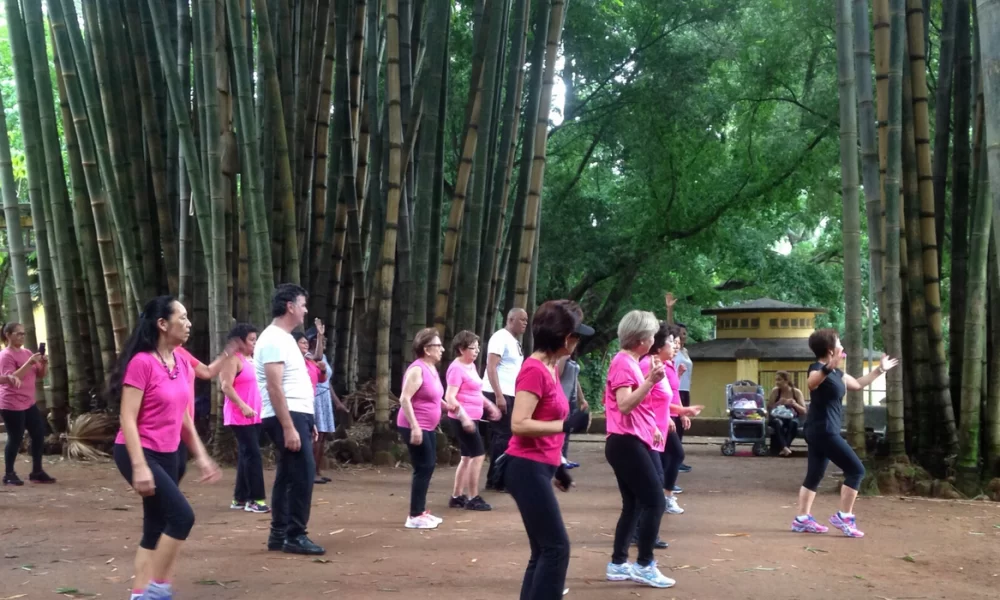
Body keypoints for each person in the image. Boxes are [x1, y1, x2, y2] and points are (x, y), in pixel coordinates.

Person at [108, 296, 222, 600]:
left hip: (170, 452)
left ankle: (140, 594)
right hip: (139, 451)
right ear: (162, 324)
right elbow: (127, 417)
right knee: (182, 517)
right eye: (181, 318)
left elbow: (183, 416)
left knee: (155, 526)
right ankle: (156, 589)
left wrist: (201, 456)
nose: (188, 324)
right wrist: (140, 466)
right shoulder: (142, 363)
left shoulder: (181, 361)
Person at [504, 300, 593, 600]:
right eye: (576, 335)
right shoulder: (534, 369)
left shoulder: (551, 367)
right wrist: (566, 425)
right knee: (556, 549)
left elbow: (545, 423)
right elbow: (519, 424)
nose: (578, 341)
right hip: (525, 468)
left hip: (539, 467)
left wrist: (558, 465)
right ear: (564, 337)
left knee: (543, 550)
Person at [792, 328, 898, 538]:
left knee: (814, 474)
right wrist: (828, 367)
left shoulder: (838, 374)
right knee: (856, 471)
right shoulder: (817, 368)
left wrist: (880, 370)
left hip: (819, 429)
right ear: (830, 350)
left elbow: (857, 384)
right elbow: (811, 383)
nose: (842, 345)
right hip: (824, 431)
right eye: (839, 342)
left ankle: (802, 519)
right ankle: (844, 517)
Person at [604, 310, 674, 589]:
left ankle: (618, 563)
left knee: (633, 504)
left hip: (631, 439)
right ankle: (644, 564)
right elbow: (624, 405)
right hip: (625, 442)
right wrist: (650, 381)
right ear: (642, 339)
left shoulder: (631, 362)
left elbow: (637, 406)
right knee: (655, 501)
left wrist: (651, 426)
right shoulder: (623, 363)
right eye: (652, 335)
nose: (655, 339)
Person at [257, 284, 325, 555]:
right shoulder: (274, 338)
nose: (305, 310)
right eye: (303, 304)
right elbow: (274, 386)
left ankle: (280, 533)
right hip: (287, 415)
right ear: (290, 306)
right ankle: (295, 534)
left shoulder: (284, 338)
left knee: (287, 474)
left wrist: (309, 420)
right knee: (303, 474)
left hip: (297, 414)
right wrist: (289, 427)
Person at [397, 328, 476, 529]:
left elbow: (431, 396)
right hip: (415, 425)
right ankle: (415, 515)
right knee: (423, 467)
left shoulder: (431, 368)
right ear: (426, 349)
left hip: (428, 426)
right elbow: (404, 399)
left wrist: (446, 406)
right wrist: (415, 427)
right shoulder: (417, 370)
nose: (442, 349)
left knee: (428, 465)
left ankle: (420, 511)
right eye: (438, 346)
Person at [445, 330, 501, 511]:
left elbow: (476, 392)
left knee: (467, 457)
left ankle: (457, 496)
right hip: (463, 419)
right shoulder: (456, 368)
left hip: (473, 418)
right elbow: (450, 397)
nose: (477, 351)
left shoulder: (470, 366)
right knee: (478, 455)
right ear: (461, 349)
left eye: (478, 348)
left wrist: (489, 405)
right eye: (473, 348)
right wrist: (464, 418)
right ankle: (472, 497)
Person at [219, 323, 269, 513]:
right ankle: (256, 499)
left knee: (246, 455)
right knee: (253, 455)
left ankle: (240, 498)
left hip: (255, 415)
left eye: (256, 339)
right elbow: (226, 386)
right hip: (239, 415)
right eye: (251, 340)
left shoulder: (253, 360)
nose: (255, 343)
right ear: (240, 341)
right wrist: (242, 405)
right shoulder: (232, 359)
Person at [0, 322, 53, 485]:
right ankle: (9, 474)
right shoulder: (5, 355)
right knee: (15, 438)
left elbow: (41, 375)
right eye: (18, 333)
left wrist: (44, 363)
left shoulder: (27, 353)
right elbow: (11, 378)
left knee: (38, 434)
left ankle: (37, 471)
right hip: (11, 402)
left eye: (23, 333)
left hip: (29, 402)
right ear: (8, 335)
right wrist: (29, 363)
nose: (22, 336)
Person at [483, 308, 528, 492]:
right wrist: (499, 395)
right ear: (510, 319)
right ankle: (498, 479)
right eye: (522, 319)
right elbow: (491, 367)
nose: (525, 323)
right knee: (504, 436)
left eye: (526, 320)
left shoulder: (514, 341)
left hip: (510, 393)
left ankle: (497, 478)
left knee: (504, 436)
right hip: (497, 393)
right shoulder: (500, 337)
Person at [307, 320, 346, 485]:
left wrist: (337, 402)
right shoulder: (308, 357)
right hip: (315, 397)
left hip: (324, 398)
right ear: (313, 341)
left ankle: (317, 470)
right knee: (315, 437)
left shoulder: (323, 358)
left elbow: (326, 381)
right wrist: (319, 334)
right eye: (321, 340)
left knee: (322, 436)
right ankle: (310, 472)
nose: (324, 343)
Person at [666, 292, 693, 472]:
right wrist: (670, 309)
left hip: (684, 390)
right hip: (674, 390)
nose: (683, 336)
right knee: (673, 426)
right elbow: (669, 328)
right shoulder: (672, 350)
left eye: (685, 334)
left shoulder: (685, 352)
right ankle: (672, 459)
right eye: (681, 333)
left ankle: (677, 458)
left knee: (681, 427)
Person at [557, 354, 589, 469]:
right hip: (563, 397)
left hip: (572, 399)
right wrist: (563, 357)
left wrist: (582, 398)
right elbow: (557, 374)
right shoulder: (560, 357)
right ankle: (559, 458)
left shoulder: (572, 359)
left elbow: (575, 379)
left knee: (568, 430)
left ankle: (564, 457)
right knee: (561, 430)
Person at [767, 371, 806, 457]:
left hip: (792, 417)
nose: (777, 382)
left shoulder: (796, 392)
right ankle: (785, 448)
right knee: (777, 422)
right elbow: (769, 407)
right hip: (777, 416)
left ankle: (784, 448)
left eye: (779, 380)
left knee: (794, 423)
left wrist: (794, 404)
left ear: (786, 380)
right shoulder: (775, 391)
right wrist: (778, 403)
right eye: (776, 380)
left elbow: (803, 411)